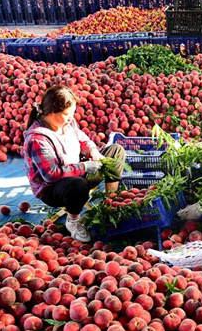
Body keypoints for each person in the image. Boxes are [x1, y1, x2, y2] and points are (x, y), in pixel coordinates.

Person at [23, 85, 127, 243]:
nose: (71, 118)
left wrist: (93, 151)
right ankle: (73, 220)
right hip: (53, 188)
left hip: (76, 172)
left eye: (72, 113)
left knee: (115, 152)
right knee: (77, 185)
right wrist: (84, 167)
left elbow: (81, 137)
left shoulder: (67, 123)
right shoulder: (37, 139)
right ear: (51, 113)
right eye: (66, 114)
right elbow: (51, 174)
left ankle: (110, 202)